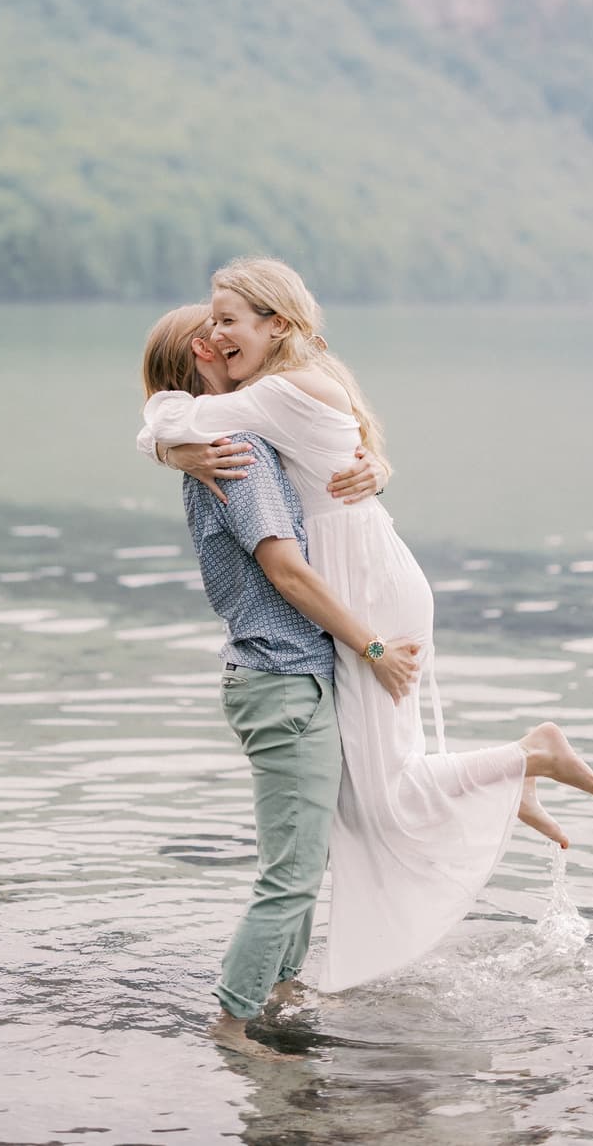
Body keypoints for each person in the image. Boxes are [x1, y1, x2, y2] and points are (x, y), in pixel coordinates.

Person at [139, 259, 593, 999]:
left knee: (380, 796)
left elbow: (171, 415)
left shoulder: (269, 398)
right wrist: (175, 445)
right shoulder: (291, 387)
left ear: (279, 324)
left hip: (361, 593)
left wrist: (167, 445)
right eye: (212, 324)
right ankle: (509, 774)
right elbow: (205, 422)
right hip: (360, 580)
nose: (219, 334)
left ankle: (525, 758)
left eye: (229, 319)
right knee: (368, 795)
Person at [141, 304, 419, 1059]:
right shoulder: (236, 451)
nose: (229, 343)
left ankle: (280, 988)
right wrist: (371, 647)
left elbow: (334, 469)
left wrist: (374, 465)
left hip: (286, 675)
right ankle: (232, 1024)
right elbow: (286, 569)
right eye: (217, 335)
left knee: (302, 859)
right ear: (201, 353)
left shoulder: (235, 440)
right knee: (291, 872)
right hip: (284, 677)